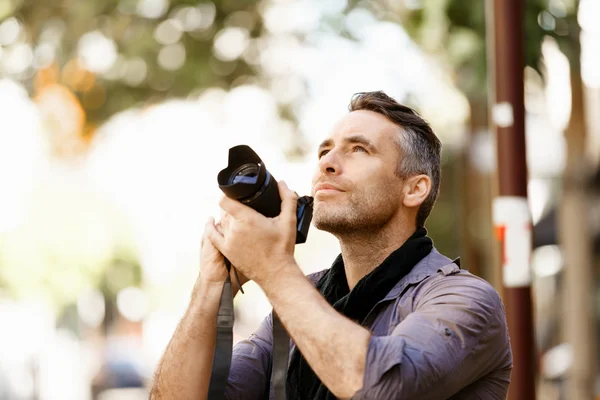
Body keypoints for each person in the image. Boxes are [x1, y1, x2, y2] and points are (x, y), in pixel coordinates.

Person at [150, 91, 512, 400]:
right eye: (324, 150)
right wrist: (211, 286)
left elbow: (382, 384)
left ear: (414, 189)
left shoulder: (464, 299)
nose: (327, 163)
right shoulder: (301, 301)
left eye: (358, 149)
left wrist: (273, 269)